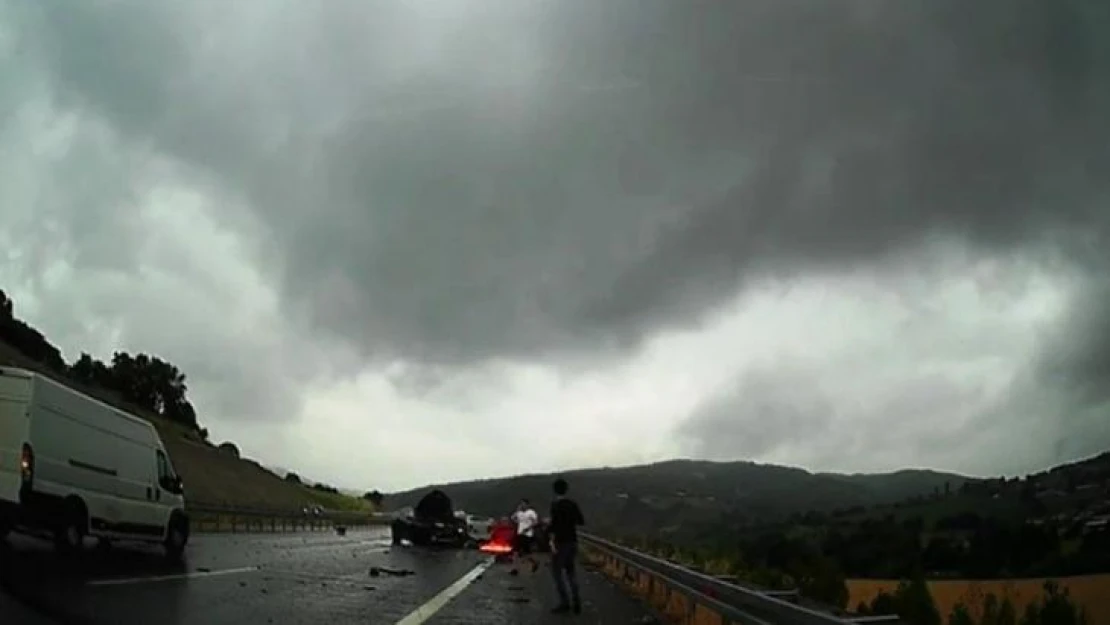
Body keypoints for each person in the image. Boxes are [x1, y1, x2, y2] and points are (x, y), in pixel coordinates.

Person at [547, 477, 585, 614]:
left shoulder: (555, 505)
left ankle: (565, 603)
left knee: (557, 573)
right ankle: (577, 602)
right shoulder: (573, 504)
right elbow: (581, 521)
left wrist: (551, 541)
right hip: (573, 541)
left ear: (555, 490)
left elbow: (553, 526)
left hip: (560, 542)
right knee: (571, 572)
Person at [509, 499, 539, 574]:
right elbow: (512, 518)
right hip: (520, 533)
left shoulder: (531, 512)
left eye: (524, 504)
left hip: (527, 534)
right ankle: (515, 568)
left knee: (526, 553)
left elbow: (535, 522)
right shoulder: (519, 513)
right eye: (521, 504)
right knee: (515, 551)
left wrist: (528, 528)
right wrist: (517, 510)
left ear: (527, 505)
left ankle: (534, 562)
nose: (522, 505)